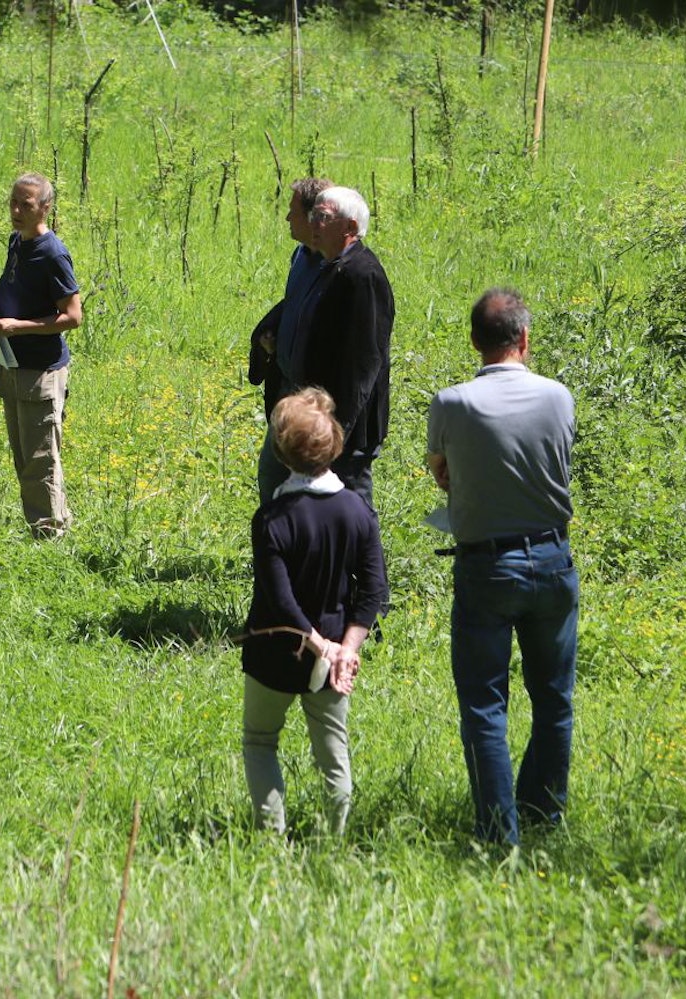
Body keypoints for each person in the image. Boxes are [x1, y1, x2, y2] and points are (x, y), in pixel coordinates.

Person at [427, 288, 578, 847]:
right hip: (551, 557)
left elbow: (441, 471)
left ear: (474, 342)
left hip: (486, 566)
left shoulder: (452, 401)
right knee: (554, 699)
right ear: (524, 339)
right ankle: (544, 815)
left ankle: (498, 833)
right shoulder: (559, 397)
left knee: (486, 705)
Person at [240, 388, 388, 837]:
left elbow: (280, 598)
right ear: (336, 446)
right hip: (331, 657)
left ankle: (271, 840)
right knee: (332, 751)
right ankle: (335, 839)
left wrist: (316, 642)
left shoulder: (272, 518)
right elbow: (374, 588)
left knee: (261, 741)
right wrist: (345, 647)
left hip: (275, 649)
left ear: (282, 451)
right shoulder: (357, 511)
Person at [0, 172, 82, 538]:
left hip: (41, 370)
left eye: (25, 205)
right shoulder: (17, 242)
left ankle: (49, 535)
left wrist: (18, 326)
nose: (15, 210)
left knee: (41, 459)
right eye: (12, 202)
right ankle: (48, 523)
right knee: (24, 457)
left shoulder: (53, 253)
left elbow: (73, 316)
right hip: (12, 362)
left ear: (45, 207)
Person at [286, 185, 393, 504]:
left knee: (353, 501)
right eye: (313, 215)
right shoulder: (332, 266)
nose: (314, 223)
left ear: (350, 228)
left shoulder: (362, 275)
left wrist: (337, 429)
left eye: (324, 217)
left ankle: (366, 556)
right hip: (326, 416)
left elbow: (363, 364)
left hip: (348, 426)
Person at [247, 176, 332, 504]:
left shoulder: (335, 268)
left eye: (292, 211)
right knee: (272, 475)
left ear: (314, 218)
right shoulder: (301, 257)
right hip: (287, 387)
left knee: (292, 480)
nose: (286, 218)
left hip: (313, 400)